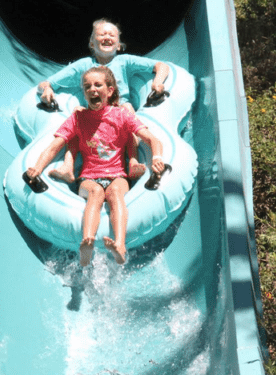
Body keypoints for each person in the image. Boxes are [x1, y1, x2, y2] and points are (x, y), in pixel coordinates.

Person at [26, 66, 166, 266]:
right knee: (95, 194)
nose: (92, 89)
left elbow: (152, 139)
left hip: (118, 174)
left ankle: (120, 245)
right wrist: (37, 169)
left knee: (116, 193)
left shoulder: (121, 116)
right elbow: (52, 147)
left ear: (109, 91)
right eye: (87, 86)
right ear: (84, 93)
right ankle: (87, 243)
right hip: (88, 177)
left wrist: (156, 158)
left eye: (98, 85)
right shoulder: (77, 118)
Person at [36, 19, 170, 183]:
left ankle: (133, 160)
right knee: (77, 113)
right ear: (92, 44)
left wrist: (157, 82)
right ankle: (68, 166)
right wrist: (47, 89)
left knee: (126, 108)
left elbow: (161, 66)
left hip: (120, 113)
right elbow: (45, 83)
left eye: (111, 34)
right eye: (101, 34)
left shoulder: (124, 61)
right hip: (94, 116)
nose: (107, 37)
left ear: (119, 45)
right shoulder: (84, 65)